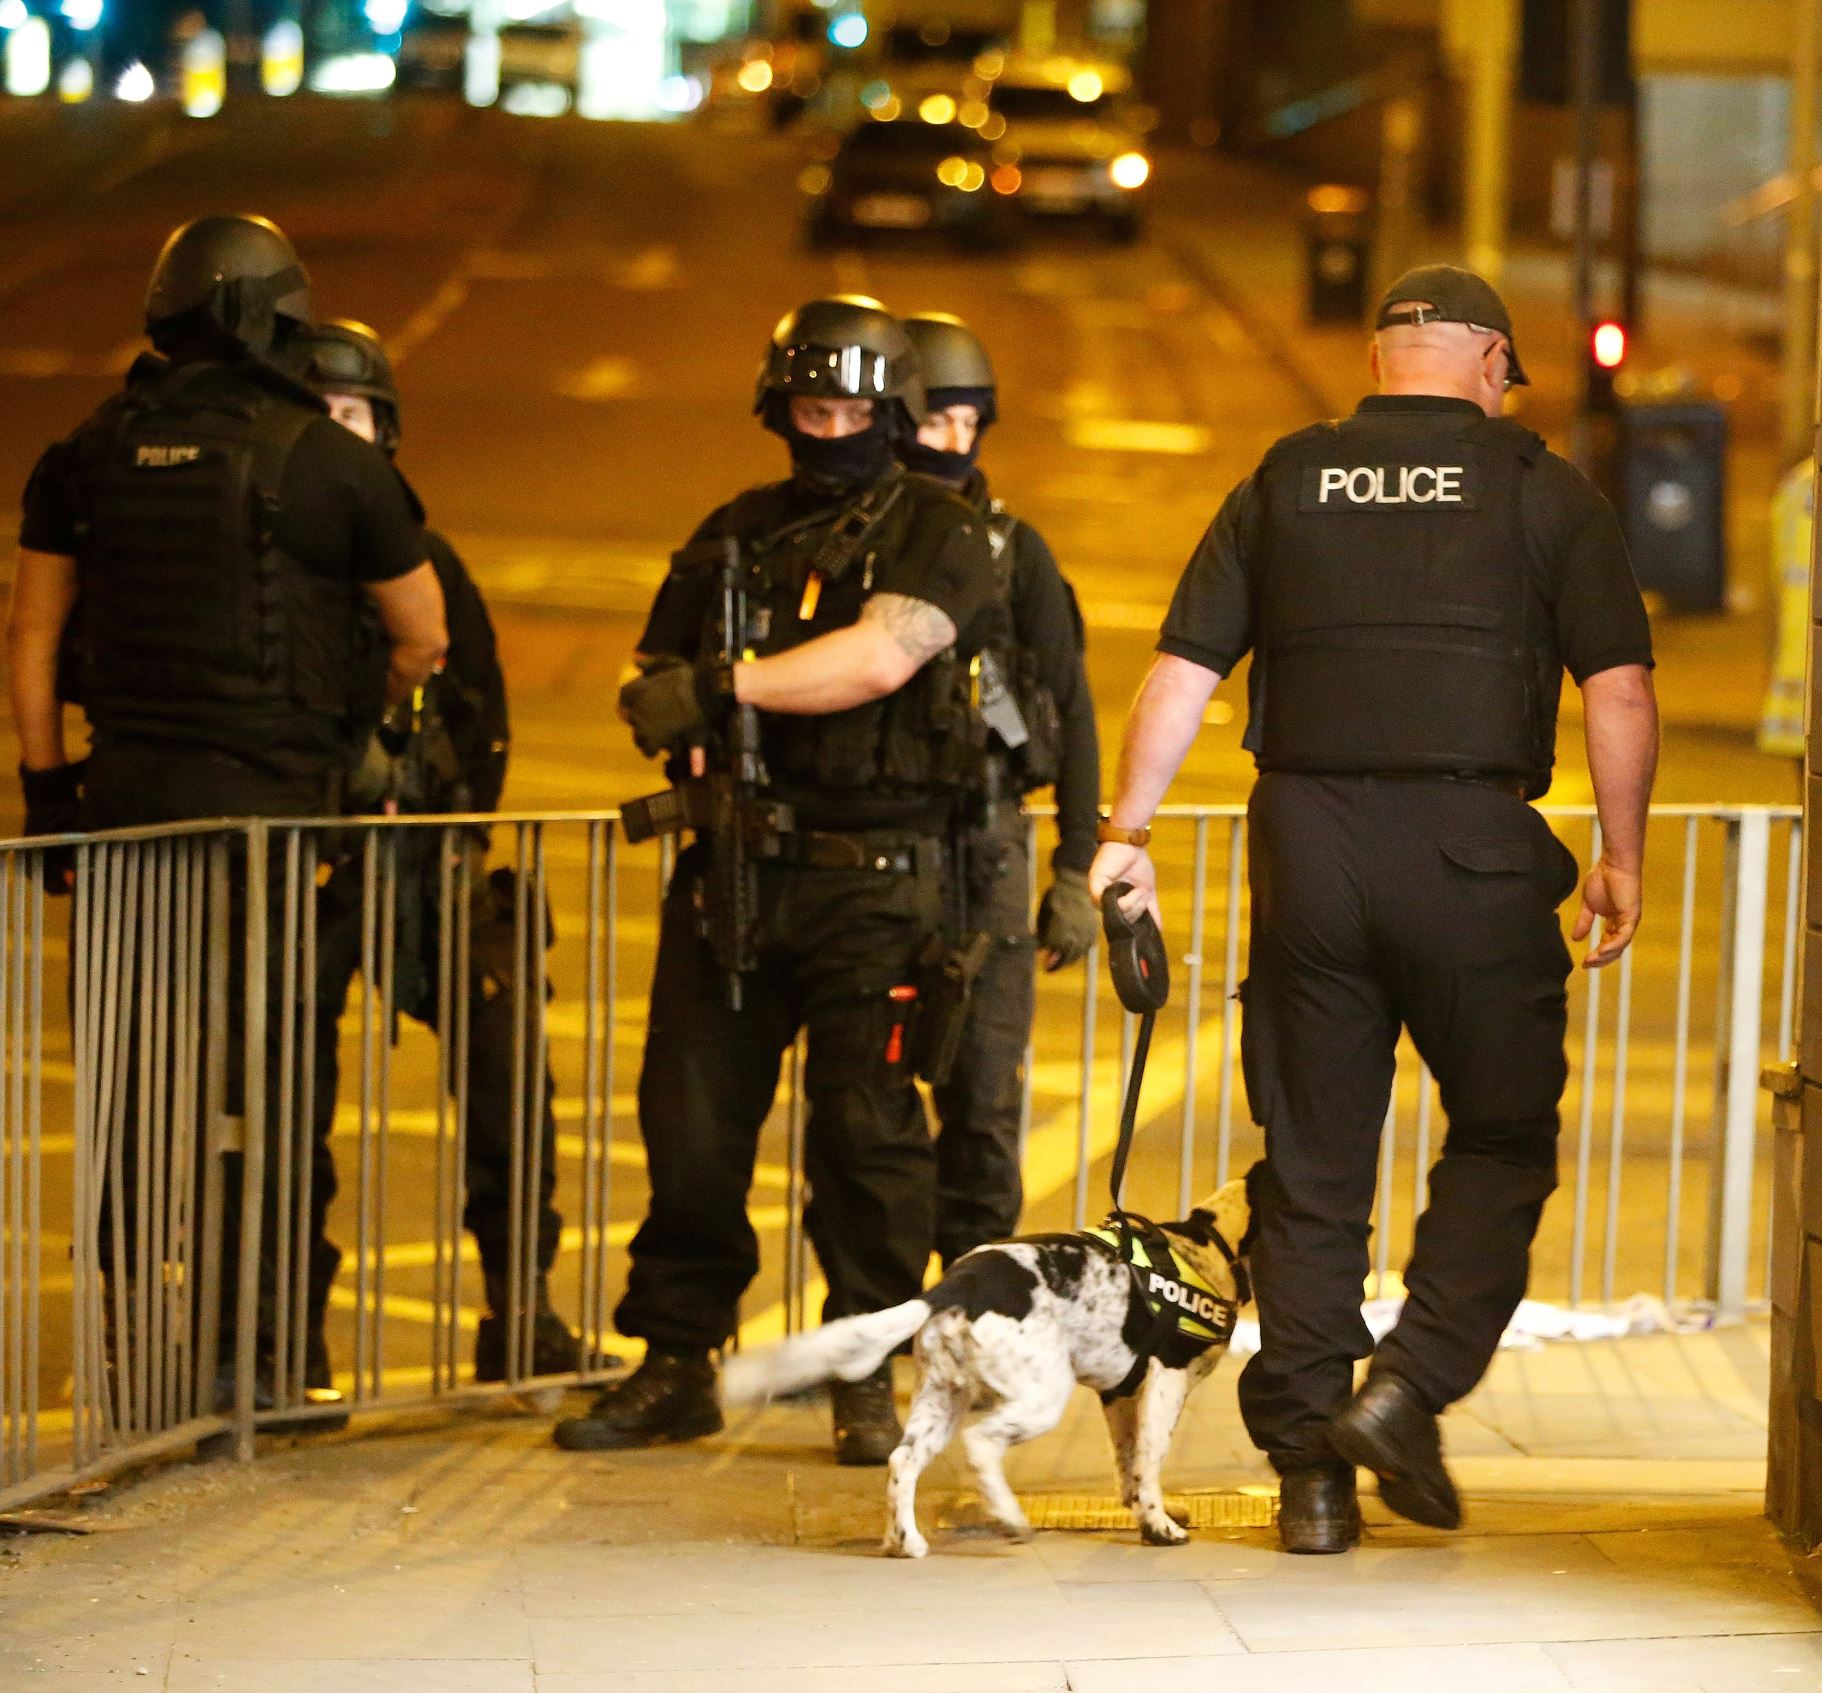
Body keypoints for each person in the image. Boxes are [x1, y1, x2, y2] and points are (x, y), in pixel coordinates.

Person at [1086, 266, 1660, 1554]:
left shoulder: (1288, 477)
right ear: (1491, 363)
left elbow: (1179, 671)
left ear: (1375, 358)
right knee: (1502, 1137)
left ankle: (1309, 1482)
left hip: (1308, 848)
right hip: (1470, 848)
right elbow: (1616, 691)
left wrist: (1125, 835)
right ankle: (1405, 1388)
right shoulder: (1540, 490)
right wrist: (1619, 855)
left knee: (1311, 1164)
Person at [7, 215, 448, 1410]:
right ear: (278, 321)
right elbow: (423, 635)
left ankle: (130, 1358)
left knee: (132, 1092)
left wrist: (50, 791)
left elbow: (34, 633)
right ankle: (255, 1356)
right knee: (264, 1095)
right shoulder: (333, 461)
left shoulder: (84, 452)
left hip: (125, 825)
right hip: (272, 835)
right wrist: (346, 719)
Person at [553, 297, 1003, 1456]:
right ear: (779, 407)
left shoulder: (938, 530)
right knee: (691, 1132)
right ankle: (673, 1361)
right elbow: (653, 670)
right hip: (736, 873)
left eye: (858, 407)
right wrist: (675, 699)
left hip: (881, 884)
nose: (835, 427)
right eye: (814, 406)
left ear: (896, 409)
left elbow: (881, 655)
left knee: (867, 1142)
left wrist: (728, 687)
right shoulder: (732, 533)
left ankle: (859, 1371)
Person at [283, 317, 607, 1386]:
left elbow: (480, 706)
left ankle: (523, 1312)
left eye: (351, 415)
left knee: (510, 1073)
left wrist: (456, 833)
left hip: (430, 855)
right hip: (312, 864)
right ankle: (294, 1334)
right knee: (287, 1096)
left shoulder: (425, 556)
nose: (334, 435)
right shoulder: (271, 561)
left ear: (382, 428)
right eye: (313, 414)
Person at [894, 311, 1102, 1264]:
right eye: (936, 422)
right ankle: (870, 1323)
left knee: (983, 1099)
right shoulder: (866, 546)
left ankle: (974, 1316)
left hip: (987, 850)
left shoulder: (1017, 554)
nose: (953, 445)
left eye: (970, 426)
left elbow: (1074, 710)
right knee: (873, 1109)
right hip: (882, 853)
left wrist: (1075, 868)